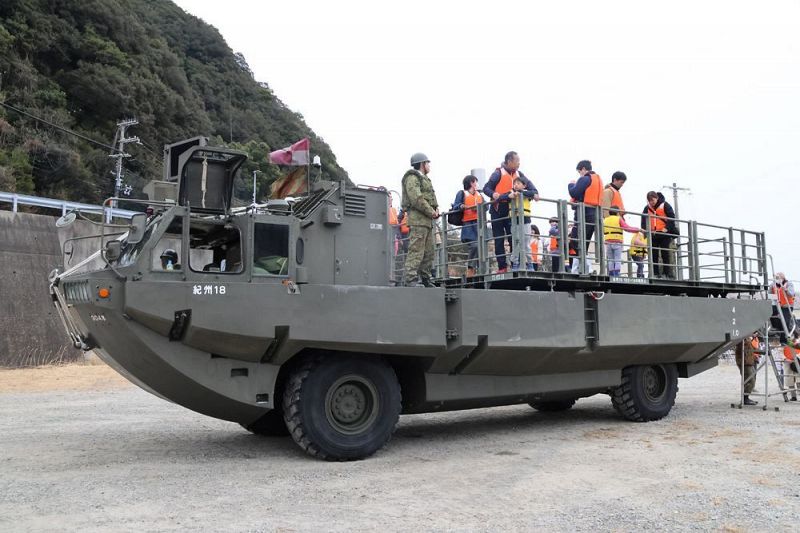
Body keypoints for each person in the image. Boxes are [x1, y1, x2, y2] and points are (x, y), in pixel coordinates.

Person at [483, 151, 539, 273]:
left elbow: (533, 190)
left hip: (512, 213)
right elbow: (486, 188)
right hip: (498, 211)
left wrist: (530, 194)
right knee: (498, 240)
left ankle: (516, 264)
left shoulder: (520, 175)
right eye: (517, 161)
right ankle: (502, 267)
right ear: (509, 162)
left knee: (514, 239)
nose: (519, 163)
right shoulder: (498, 173)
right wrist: (493, 194)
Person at [401, 152, 439, 287]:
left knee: (429, 252)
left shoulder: (425, 179)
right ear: (422, 164)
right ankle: (410, 279)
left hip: (427, 221)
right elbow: (416, 198)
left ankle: (426, 278)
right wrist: (431, 211)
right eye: (428, 163)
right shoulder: (412, 177)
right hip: (418, 220)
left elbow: (430, 196)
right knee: (416, 250)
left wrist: (436, 209)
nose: (429, 166)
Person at [567, 160, 603, 274]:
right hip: (594, 215)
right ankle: (577, 270)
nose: (579, 174)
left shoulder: (585, 178)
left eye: (579, 171)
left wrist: (571, 184)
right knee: (584, 244)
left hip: (584, 215)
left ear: (583, 169)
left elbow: (574, 192)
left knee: (575, 242)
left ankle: (589, 269)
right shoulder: (597, 179)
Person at [641, 191, 678, 279]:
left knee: (665, 254)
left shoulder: (665, 205)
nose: (651, 202)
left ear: (657, 198)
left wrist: (667, 228)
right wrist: (644, 230)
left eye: (652, 200)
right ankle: (656, 274)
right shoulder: (647, 208)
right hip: (653, 234)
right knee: (654, 254)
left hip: (664, 233)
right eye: (649, 200)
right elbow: (643, 219)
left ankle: (666, 274)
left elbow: (672, 217)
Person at [453, 175, 484, 277]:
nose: (477, 184)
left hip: (479, 224)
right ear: (471, 183)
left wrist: (479, 208)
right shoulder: (462, 193)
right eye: (476, 182)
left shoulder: (479, 194)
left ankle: (480, 270)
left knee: (481, 247)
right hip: (468, 224)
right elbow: (456, 205)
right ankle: (470, 268)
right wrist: (463, 206)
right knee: (475, 245)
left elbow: (486, 206)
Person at [508, 176, 536, 270]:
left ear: (524, 185)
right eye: (514, 183)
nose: (516, 185)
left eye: (518, 183)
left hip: (525, 220)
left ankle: (530, 263)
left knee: (526, 243)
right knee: (516, 242)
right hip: (514, 221)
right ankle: (515, 263)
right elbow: (503, 196)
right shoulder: (510, 193)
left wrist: (520, 192)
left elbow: (533, 193)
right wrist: (512, 194)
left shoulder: (527, 193)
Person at [602, 207, 639, 277]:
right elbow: (627, 228)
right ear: (617, 212)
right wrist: (637, 229)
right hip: (617, 241)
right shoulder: (618, 219)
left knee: (610, 259)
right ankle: (616, 274)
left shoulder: (605, 220)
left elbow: (603, 231)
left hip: (608, 242)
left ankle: (611, 274)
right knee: (617, 259)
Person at [735, 335, 760, 405]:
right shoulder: (741, 338)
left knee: (752, 379)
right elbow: (742, 347)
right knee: (749, 380)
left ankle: (746, 397)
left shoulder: (748, 337)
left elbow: (750, 348)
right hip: (744, 362)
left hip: (749, 361)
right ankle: (745, 398)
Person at [772, 272, 795, 340]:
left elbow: (791, 294)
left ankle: (784, 340)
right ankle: (777, 329)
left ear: (782, 278)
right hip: (777, 306)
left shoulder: (789, 284)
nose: (776, 279)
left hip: (787, 306)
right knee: (772, 317)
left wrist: (786, 290)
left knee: (785, 321)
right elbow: (770, 294)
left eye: (777, 278)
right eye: (775, 278)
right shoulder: (773, 285)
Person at [782, 334, 799, 401]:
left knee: (799, 381)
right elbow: (781, 352)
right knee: (790, 381)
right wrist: (785, 359)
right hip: (787, 363)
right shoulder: (784, 344)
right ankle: (793, 396)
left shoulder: (797, 343)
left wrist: (796, 358)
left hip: (797, 362)